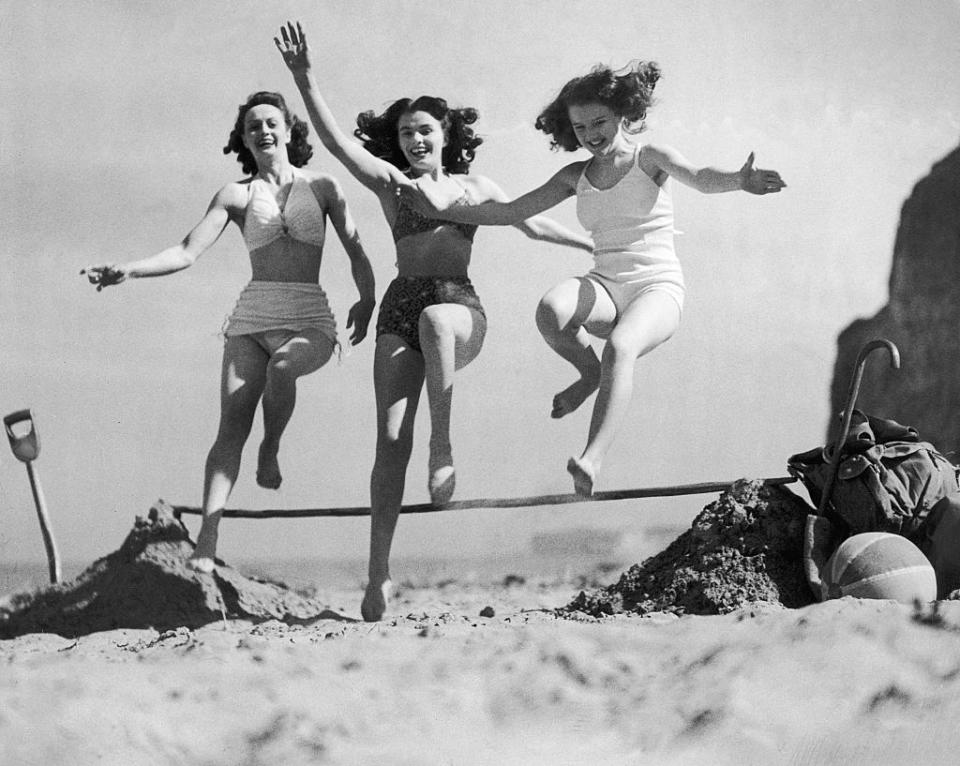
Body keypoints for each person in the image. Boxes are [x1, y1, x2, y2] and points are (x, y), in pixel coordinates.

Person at [275, 21, 593, 621]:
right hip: (401, 307)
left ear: (446, 135)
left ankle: (442, 447)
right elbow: (342, 145)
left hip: (458, 306)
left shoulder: (475, 187)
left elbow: (528, 220)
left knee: (440, 323)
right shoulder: (394, 188)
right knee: (390, 440)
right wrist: (304, 79)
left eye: (425, 130)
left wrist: (586, 248)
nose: (415, 140)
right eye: (405, 134)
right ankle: (378, 576)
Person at [404, 59, 786, 497]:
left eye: (599, 122)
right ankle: (589, 376)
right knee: (552, 310)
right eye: (580, 127)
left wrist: (740, 179)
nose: (591, 134)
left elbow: (700, 178)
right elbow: (512, 212)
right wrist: (443, 211)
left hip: (657, 288)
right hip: (605, 283)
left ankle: (591, 458)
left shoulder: (651, 158)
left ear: (623, 115)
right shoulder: (575, 176)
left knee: (621, 346)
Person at [82, 90, 376, 573]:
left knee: (285, 368)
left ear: (288, 129)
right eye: (252, 126)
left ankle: (272, 447)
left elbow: (357, 250)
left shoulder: (324, 186)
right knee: (230, 425)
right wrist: (128, 270)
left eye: (270, 122)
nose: (262, 130)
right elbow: (185, 251)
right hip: (251, 320)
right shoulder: (235, 194)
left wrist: (366, 299)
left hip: (309, 317)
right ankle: (209, 535)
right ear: (243, 138)